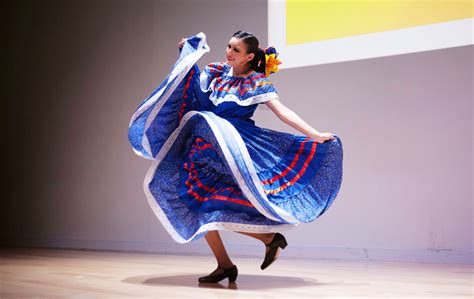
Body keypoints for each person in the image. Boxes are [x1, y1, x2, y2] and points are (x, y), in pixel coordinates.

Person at [128, 31, 343, 284]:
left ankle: (264, 241)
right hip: (204, 147)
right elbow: (192, 87)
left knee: (223, 200)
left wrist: (315, 134)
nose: (229, 52)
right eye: (229, 47)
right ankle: (230, 262)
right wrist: (187, 55)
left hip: (234, 148)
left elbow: (282, 112)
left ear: (250, 57)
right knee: (197, 201)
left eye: (236, 51)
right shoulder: (217, 72)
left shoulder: (256, 82)